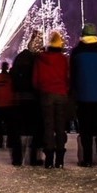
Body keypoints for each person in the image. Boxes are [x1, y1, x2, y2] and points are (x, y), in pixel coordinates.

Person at [70, 22, 97, 167]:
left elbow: (73, 75)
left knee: (85, 129)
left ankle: (87, 159)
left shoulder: (77, 53)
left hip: (83, 96)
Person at [32, 30, 69, 168]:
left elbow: (35, 80)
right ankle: (60, 159)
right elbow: (68, 77)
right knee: (60, 127)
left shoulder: (40, 58)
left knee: (48, 126)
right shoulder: (64, 59)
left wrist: (41, 88)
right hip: (61, 94)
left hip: (46, 94)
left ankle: (49, 159)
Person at [9, 30, 44, 166]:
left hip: (18, 97)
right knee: (36, 128)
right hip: (34, 97)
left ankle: (17, 158)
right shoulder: (37, 60)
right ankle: (34, 157)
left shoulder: (19, 58)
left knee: (17, 129)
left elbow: (13, 75)